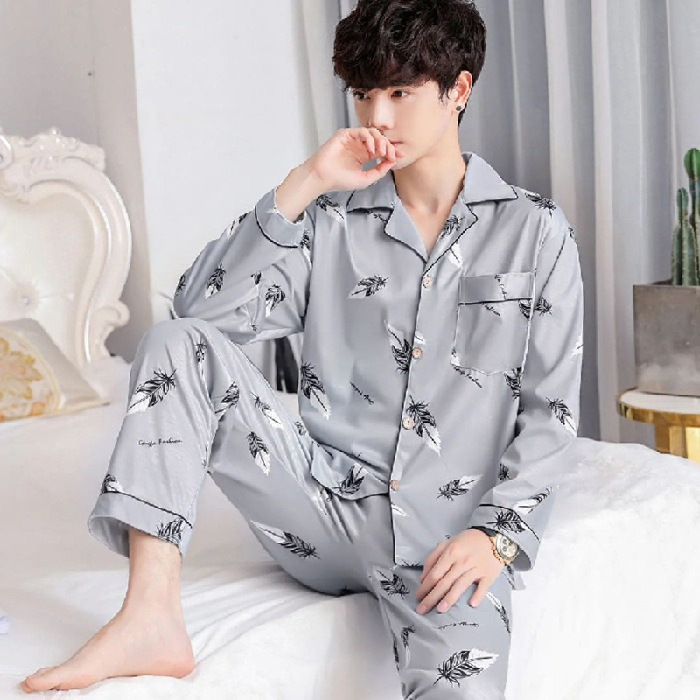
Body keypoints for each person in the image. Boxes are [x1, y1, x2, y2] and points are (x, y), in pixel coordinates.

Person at [21, 0, 583, 696]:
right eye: (363, 94)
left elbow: (551, 411)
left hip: (445, 541)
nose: (377, 116)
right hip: (320, 510)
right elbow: (197, 317)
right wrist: (308, 181)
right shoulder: (327, 224)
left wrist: (495, 535)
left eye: (400, 92)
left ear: (458, 90)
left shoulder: (536, 231)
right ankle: (149, 615)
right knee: (176, 344)